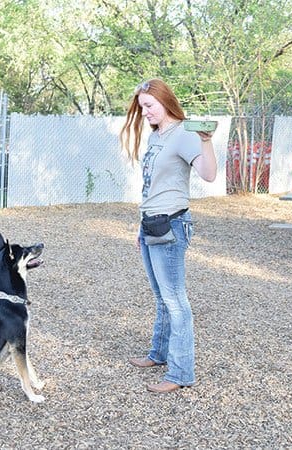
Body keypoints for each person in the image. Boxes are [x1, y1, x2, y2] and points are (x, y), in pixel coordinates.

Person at [119, 78, 218, 393]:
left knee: (176, 301)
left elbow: (209, 174)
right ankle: (158, 355)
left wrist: (206, 141)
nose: (145, 112)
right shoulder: (156, 136)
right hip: (151, 224)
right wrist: (140, 225)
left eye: (149, 106)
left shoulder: (184, 135)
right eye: (142, 107)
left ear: (164, 101)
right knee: (162, 297)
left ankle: (181, 373)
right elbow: (152, 187)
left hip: (172, 226)